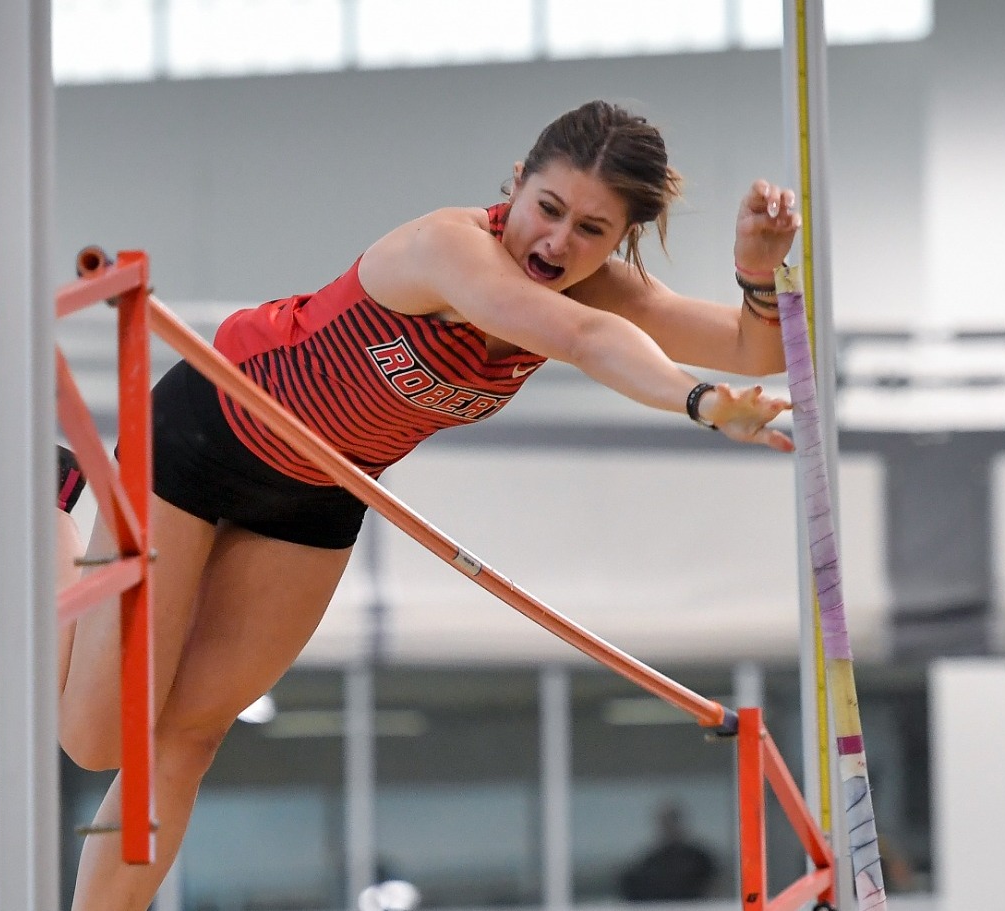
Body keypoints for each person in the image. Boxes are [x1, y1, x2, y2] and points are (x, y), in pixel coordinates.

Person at [57, 99, 799, 911]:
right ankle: (51, 501)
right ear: (516, 185)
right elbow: (586, 341)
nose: (556, 243)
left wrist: (760, 270)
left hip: (319, 491)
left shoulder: (600, 290)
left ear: (617, 240)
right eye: (547, 209)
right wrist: (697, 401)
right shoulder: (448, 247)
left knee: (188, 739)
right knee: (96, 737)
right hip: (207, 432)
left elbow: (755, 348)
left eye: (590, 230)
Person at [618, 803, 720, 901]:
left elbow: (715, 890)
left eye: (671, 822)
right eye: (664, 823)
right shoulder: (650, 862)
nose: (667, 828)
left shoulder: (700, 859)